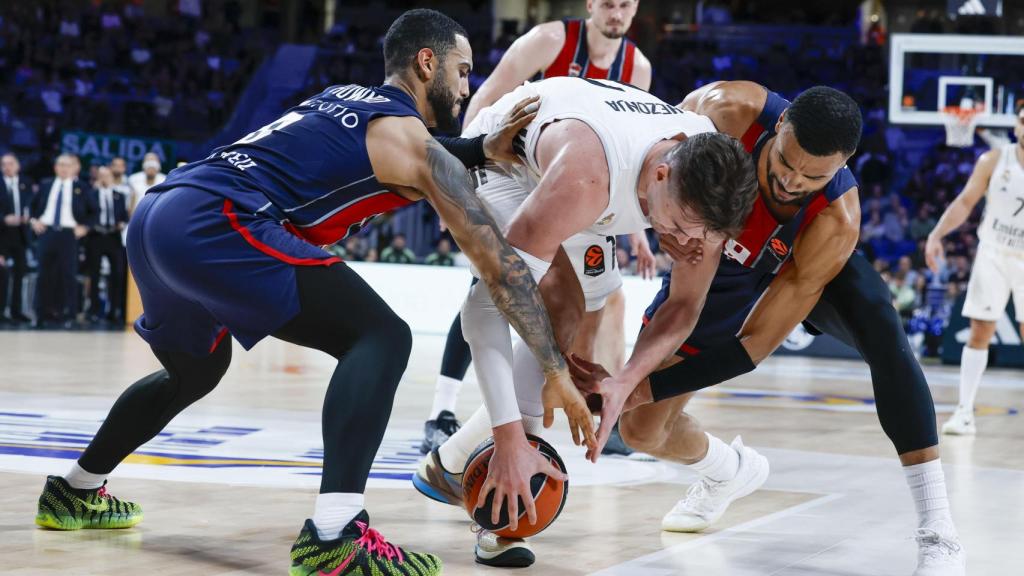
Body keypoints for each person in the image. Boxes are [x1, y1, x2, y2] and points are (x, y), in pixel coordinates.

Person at [32, 10, 595, 576]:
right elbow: (500, 268)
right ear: (428, 64)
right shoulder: (411, 144)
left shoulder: (344, 98)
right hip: (219, 221)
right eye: (463, 70)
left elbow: (411, 151)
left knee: (195, 371)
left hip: (162, 214)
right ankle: (334, 534)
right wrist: (554, 369)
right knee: (380, 336)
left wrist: (477, 150)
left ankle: (75, 490)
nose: (468, 86)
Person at [568, 82, 964, 575]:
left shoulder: (836, 218)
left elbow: (753, 346)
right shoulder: (726, 111)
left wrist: (640, 387)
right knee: (641, 432)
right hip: (720, 257)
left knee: (882, 328)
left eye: (812, 176)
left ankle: (939, 531)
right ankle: (728, 472)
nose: (792, 182)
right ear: (779, 127)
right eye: (785, 163)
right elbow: (648, 156)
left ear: (839, 167)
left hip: (797, 260)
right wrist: (659, 228)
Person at [413, 75, 758, 567]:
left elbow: (683, 308)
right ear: (660, 176)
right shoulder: (587, 177)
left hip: (581, 162)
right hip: (505, 161)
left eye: (699, 237)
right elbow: (484, 311)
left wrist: (625, 380)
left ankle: (451, 465)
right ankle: (506, 503)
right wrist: (510, 436)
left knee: (585, 318)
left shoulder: (707, 185)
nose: (685, 245)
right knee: (560, 309)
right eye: (679, 228)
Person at [421, 0, 657, 457]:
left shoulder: (637, 66)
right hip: (510, 168)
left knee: (599, 295)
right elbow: (488, 95)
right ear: (591, 5)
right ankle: (442, 413)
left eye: (625, 4)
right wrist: (460, 176)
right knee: (492, 284)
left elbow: (629, 148)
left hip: (571, 179)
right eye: (608, 3)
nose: (616, 12)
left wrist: (638, 233)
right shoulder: (550, 40)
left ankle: (578, 406)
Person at [926, 101, 1024, 436]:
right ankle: (964, 411)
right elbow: (966, 202)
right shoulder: (994, 160)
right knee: (980, 330)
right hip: (994, 252)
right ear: (1016, 126)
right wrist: (937, 234)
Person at [30, 154, 94, 328]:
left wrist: (85, 227)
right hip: (47, 232)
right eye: (60, 164)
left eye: (68, 165)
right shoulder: (46, 184)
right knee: (43, 275)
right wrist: (34, 221)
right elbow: (32, 207)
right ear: (55, 167)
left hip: (69, 235)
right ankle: (40, 314)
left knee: (68, 275)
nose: (64, 168)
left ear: (74, 168)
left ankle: (70, 315)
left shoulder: (81, 187)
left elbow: (94, 211)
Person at [85, 166, 129, 323]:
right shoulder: (91, 194)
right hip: (96, 236)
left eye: (107, 175)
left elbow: (124, 215)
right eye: (101, 175)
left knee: (117, 274)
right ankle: (93, 311)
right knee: (94, 274)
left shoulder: (119, 195)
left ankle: (114, 310)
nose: (104, 178)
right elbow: (86, 214)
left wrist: (122, 223)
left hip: (113, 236)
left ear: (112, 177)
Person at [1, 153, 34, 323]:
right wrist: (4, 218)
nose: (7, 167)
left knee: (20, 273)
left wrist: (29, 218)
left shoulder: (26, 183)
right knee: (2, 273)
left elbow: (32, 205)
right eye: (4, 164)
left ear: (18, 165)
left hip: (21, 235)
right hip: (2, 235)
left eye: (11, 163)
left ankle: (16, 311)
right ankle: (1, 312)